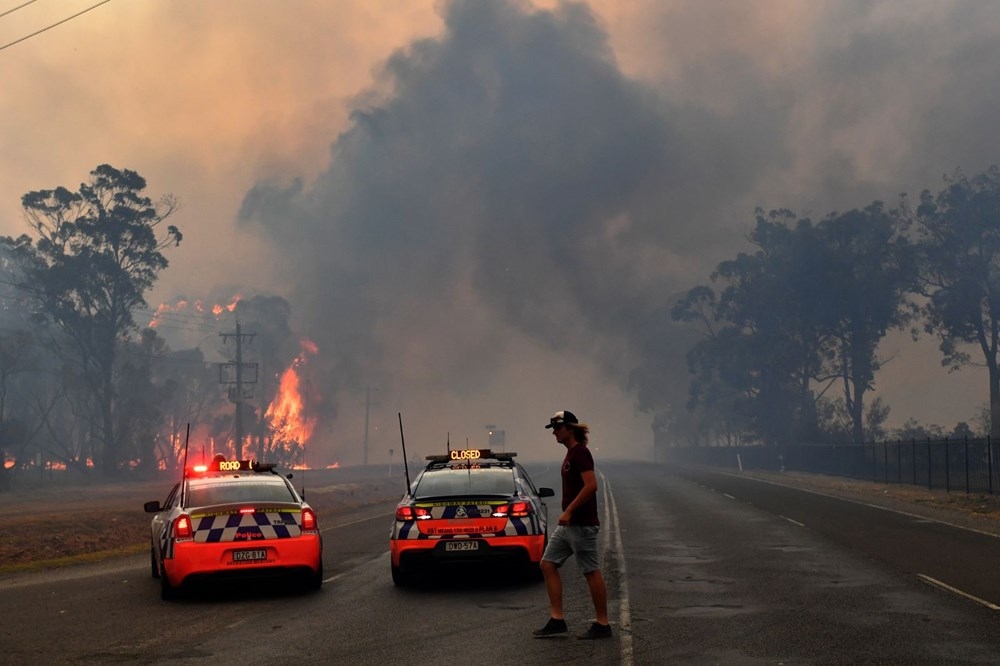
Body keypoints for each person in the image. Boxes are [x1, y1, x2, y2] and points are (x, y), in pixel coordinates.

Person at [532, 410, 612, 640]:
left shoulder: (580, 453)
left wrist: (568, 511)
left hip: (581, 524)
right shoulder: (571, 454)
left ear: (569, 428)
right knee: (547, 564)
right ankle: (557, 620)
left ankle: (603, 624)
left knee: (590, 571)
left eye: (557, 428)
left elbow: (591, 485)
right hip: (569, 526)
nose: (554, 433)